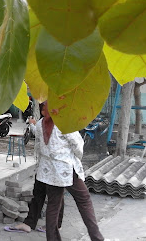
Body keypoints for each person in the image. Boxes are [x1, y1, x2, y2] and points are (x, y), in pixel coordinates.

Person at [35, 102, 104, 241]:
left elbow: (38, 147)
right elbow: (78, 145)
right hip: (66, 169)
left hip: (49, 170)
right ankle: (97, 238)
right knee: (84, 200)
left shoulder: (39, 124)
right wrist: (75, 159)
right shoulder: (64, 123)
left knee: (53, 205)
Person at [7, 102, 64, 233]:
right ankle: (29, 223)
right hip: (43, 167)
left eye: (47, 109)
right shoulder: (42, 123)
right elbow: (38, 134)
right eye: (43, 109)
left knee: (56, 197)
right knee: (38, 194)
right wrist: (33, 124)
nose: (45, 111)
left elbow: (76, 145)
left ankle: (55, 225)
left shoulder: (62, 124)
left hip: (58, 168)